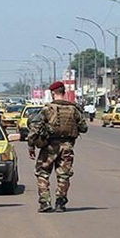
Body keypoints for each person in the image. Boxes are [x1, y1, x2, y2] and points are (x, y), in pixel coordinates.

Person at [27, 81, 88, 213]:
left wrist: (31, 146)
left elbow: (34, 128)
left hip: (49, 147)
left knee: (42, 173)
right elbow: (84, 128)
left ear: (53, 93)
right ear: (64, 92)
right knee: (64, 175)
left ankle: (45, 202)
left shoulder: (47, 109)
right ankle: (60, 202)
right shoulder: (74, 109)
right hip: (67, 147)